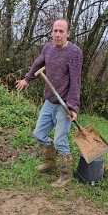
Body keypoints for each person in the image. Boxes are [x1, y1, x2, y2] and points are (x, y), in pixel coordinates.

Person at [16, 19, 83, 188]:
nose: (58, 34)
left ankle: (65, 175)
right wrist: (27, 79)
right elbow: (38, 63)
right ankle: (50, 162)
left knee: (60, 139)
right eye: (55, 31)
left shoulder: (74, 52)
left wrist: (73, 106)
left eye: (62, 31)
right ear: (51, 32)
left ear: (68, 33)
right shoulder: (48, 48)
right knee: (39, 134)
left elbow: (76, 81)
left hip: (64, 105)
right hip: (49, 101)